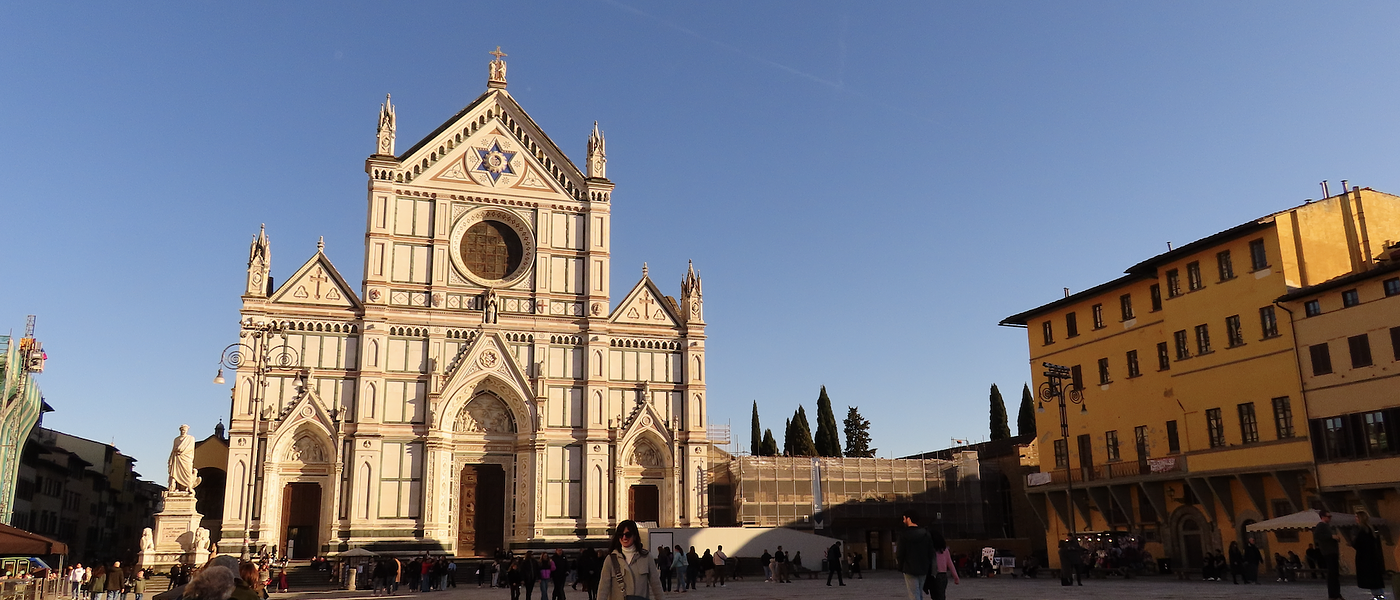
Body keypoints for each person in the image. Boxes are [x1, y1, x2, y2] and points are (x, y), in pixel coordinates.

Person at [596, 520, 664, 600]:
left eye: (628, 535)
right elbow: (603, 588)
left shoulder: (646, 557)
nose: (624, 538)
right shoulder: (611, 559)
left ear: (634, 536)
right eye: (621, 535)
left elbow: (656, 585)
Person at [897, 510, 934, 600]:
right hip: (923, 568)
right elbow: (931, 552)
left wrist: (901, 566)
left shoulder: (903, 535)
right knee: (919, 592)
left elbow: (900, 553)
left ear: (909, 519)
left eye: (904, 518)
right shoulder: (926, 534)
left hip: (909, 568)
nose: (903, 521)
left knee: (914, 594)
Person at [1353, 512, 1385, 600]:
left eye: (1357, 517)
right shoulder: (1370, 529)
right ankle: (1379, 593)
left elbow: (1358, 544)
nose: (1356, 519)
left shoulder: (1363, 531)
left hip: (1365, 558)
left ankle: (1377, 595)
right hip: (1371, 556)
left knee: (1370, 577)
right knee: (1374, 576)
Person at [1314, 509, 1343, 599]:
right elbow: (1317, 536)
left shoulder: (1327, 526)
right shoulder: (1321, 525)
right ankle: (1333, 595)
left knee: (1335, 574)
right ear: (1323, 517)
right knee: (1332, 574)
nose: (1330, 518)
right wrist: (1331, 536)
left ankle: (1336, 593)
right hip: (1328, 552)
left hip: (1332, 551)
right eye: (1328, 516)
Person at [925, 530, 960, 600]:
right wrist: (956, 577)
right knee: (941, 596)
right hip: (943, 575)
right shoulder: (945, 551)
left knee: (935, 596)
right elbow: (950, 564)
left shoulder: (930, 550)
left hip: (933, 575)